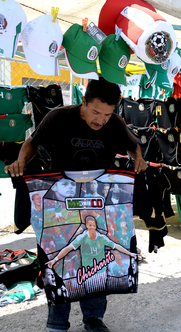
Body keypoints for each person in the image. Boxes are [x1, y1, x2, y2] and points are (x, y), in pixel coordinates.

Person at [5, 76, 147, 332]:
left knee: (94, 255)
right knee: (57, 259)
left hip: (98, 199)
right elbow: (32, 142)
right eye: (96, 112)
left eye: (106, 114)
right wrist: (21, 162)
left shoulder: (114, 124)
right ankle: (57, 321)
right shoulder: (59, 117)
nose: (100, 120)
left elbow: (134, 145)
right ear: (84, 101)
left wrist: (139, 157)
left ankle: (93, 318)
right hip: (59, 200)